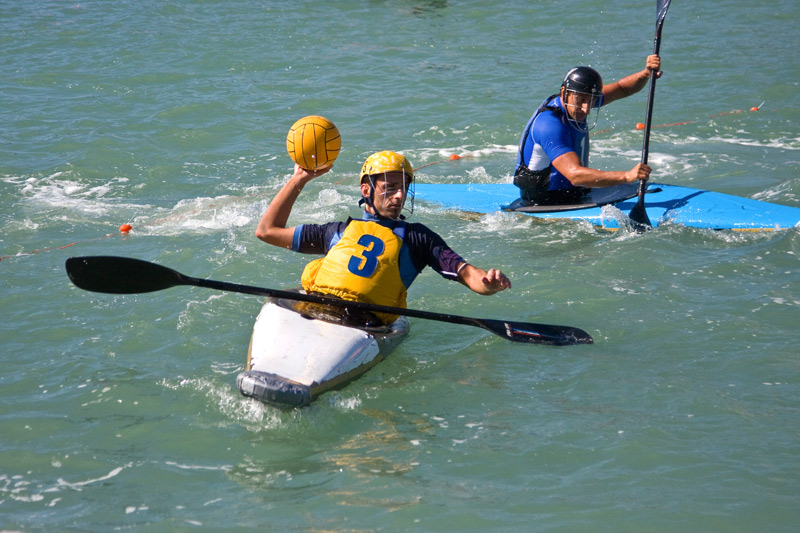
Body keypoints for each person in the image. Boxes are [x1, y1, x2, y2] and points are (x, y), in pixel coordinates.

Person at [256, 150, 511, 325]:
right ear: (366, 190)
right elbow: (267, 231)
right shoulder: (335, 232)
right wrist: (299, 178)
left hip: (365, 325)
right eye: (390, 188)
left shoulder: (418, 239)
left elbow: (467, 273)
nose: (399, 196)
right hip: (316, 310)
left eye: (403, 188)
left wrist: (487, 283)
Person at [513, 55, 662, 205]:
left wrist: (646, 73)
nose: (586, 108)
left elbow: (622, 88)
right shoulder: (549, 125)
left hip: (576, 191)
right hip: (544, 202)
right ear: (564, 93)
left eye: (591, 100)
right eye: (581, 100)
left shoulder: (576, 100)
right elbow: (574, 175)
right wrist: (626, 176)